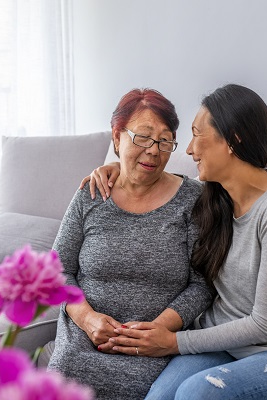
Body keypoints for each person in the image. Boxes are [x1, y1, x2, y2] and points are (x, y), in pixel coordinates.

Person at [83, 84, 267, 400]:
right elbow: (160, 183)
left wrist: (174, 342)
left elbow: (266, 325)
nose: (189, 150)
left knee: (199, 392)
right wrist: (116, 168)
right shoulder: (216, 196)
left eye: (196, 134)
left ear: (232, 139)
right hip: (229, 346)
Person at [47, 88, 214, 400]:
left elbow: (203, 283)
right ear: (117, 136)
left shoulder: (193, 200)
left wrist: (158, 330)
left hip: (154, 348)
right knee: (65, 375)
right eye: (143, 137)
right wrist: (86, 318)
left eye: (165, 140)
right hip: (84, 341)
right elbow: (57, 271)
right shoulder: (91, 194)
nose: (153, 150)